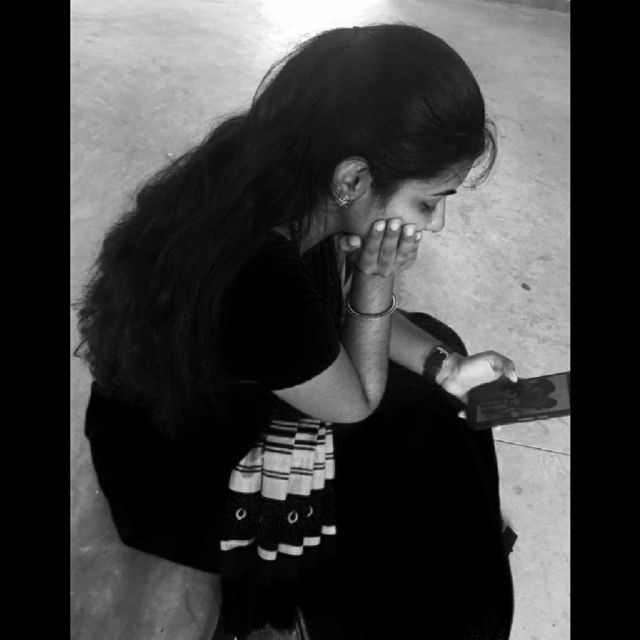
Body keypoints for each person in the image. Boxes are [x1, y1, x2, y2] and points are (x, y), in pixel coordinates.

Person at [75, 23, 518, 639]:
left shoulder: (280, 176)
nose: (436, 223)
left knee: (437, 358)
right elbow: (357, 403)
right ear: (353, 180)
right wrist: (376, 278)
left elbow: (330, 314)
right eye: (427, 202)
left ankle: (463, 547)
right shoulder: (259, 277)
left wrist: (446, 365)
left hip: (203, 404)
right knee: (413, 437)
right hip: (182, 485)